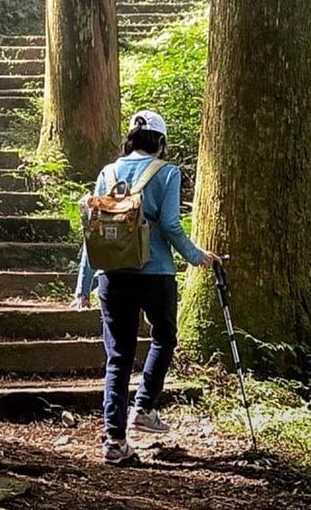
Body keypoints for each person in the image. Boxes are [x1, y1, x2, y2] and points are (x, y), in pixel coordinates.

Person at [72, 109, 218, 466]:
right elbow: (169, 224)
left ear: (131, 138)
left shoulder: (108, 173)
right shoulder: (167, 173)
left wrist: (84, 284)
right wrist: (196, 256)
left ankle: (114, 440)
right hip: (155, 275)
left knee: (118, 356)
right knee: (164, 337)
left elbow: (96, 227)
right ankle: (145, 406)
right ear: (160, 141)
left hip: (113, 275)